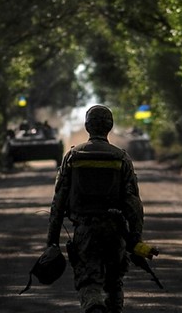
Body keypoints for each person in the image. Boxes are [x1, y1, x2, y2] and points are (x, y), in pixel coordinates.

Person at [46, 105, 145, 313]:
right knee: (114, 283)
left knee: (88, 283)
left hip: (85, 231)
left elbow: (58, 202)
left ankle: (93, 306)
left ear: (87, 126)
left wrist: (52, 241)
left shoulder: (73, 156)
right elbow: (133, 203)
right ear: (109, 127)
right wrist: (136, 239)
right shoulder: (122, 158)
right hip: (115, 231)